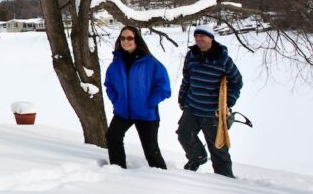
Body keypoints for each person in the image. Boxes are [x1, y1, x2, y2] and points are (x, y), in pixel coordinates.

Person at [177, 24, 243, 178]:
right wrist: (182, 98)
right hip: (192, 107)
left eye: (202, 36)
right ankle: (198, 157)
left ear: (211, 38)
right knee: (183, 134)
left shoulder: (223, 59)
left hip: (213, 112)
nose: (198, 39)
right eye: (196, 36)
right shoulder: (191, 56)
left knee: (219, 149)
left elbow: (237, 82)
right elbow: (187, 79)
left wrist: (228, 102)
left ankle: (226, 180)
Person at [103, 25, 172, 169]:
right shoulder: (116, 64)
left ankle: (162, 177)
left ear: (137, 40)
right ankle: (117, 169)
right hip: (123, 111)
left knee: (151, 151)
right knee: (113, 137)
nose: (125, 41)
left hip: (145, 113)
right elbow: (109, 85)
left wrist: (150, 102)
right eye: (122, 38)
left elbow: (164, 88)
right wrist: (116, 100)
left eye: (129, 38)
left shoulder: (151, 63)